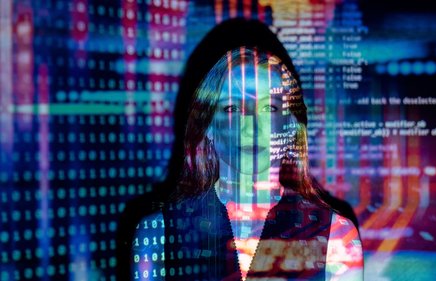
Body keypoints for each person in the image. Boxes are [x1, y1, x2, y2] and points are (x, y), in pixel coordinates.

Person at [121, 19, 363, 281]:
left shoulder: (337, 235)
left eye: (269, 108)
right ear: (208, 127)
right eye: (232, 109)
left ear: (293, 124)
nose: (251, 128)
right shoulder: (157, 234)